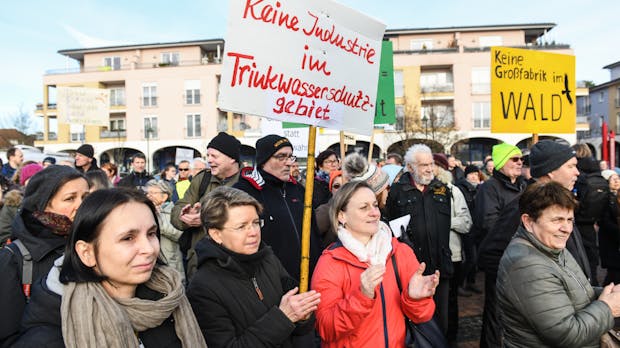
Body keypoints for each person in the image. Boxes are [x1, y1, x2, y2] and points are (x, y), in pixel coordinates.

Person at [15, 188, 206, 347]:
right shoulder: (49, 334)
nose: (149, 249)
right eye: (128, 238)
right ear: (86, 253)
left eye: (151, 233)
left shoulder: (169, 298)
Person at [477, 140, 589, 347]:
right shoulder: (523, 206)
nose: (577, 173)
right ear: (551, 172)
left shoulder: (559, 203)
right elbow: (489, 254)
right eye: (571, 166)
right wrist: (532, 287)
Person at [187, 186, 320, 347]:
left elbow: (302, 323)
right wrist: (283, 318)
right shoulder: (202, 287)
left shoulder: (267, 258)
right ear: (216, 234)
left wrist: (304, 316)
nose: (253, 232)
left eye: (256, 223)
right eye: (241, 227)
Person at [312, 181, 439, 347]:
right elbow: (325, 329)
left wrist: (415, 299)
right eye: (364, 207)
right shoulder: (330, 262)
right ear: (341, 216)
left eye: (374, 205)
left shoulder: (400, 251)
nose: (374, 213)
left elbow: (423, 316)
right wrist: (362, 297)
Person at [497, 181, 620, 347]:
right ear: (528, 221)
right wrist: (608, 307)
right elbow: (567, 334)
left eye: (570, 220)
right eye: (557, 220)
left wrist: (609, 292)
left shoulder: (550, 246)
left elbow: (573, 292)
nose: (567, 228)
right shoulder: (527, 266)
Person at [0, 166, 88, 346]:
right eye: (70, 198)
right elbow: (8, 336)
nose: (81, 205)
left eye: (85, 198)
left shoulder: (98, 244)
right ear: (42, 204)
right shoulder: (15, 258)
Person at [234, 134, 322, 282]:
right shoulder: (246, 192)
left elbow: (314, 233)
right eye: (281, 157)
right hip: (270, 282)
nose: (288, 163)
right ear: (263, 160)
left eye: (290, 157)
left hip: (309, 279)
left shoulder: (298, 190)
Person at [385, 144, 452, 335]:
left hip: (440, 266)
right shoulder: (398, 191)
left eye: (431, 163)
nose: (430, 168)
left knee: (441, 320)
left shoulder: (442, 189)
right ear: (410, 167)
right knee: (416, 322)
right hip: (412, 269)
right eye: (424, 165)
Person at [171, 131, 242, 280]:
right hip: (198, 263)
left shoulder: (246, 182)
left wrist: (205, 218)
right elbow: (177, 209)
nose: (209, 160)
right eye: (208, 156)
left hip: (233, 263)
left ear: (232, 158)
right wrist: (185, 217)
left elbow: (246, 219)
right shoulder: (202, 179)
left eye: (214, 156)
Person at [146, 180, 185, 285]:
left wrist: (158, 220)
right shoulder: (145, 211)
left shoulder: (173, 211)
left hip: (171, 261)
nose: (149, 196)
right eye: (148, 193)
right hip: (152, 260)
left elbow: (178, 235)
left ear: (164, 196)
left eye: (153, 193)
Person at [598, 169, 620, 284]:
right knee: (613, 274)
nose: (616, 181)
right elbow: (604, 221)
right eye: (613, 179)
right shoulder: (605, 197)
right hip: (611, 242)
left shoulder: (617, 197)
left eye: (618, 178)